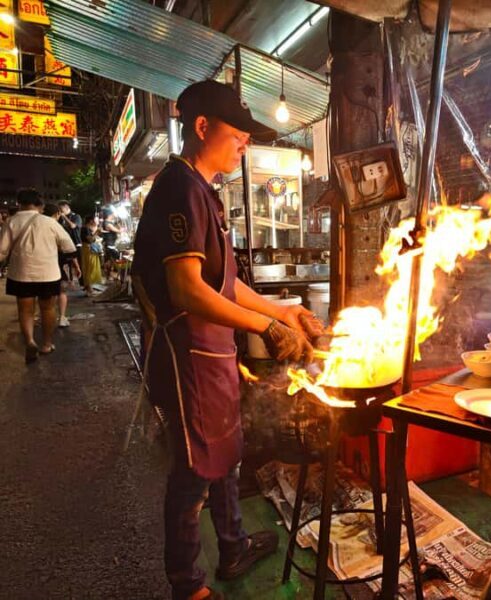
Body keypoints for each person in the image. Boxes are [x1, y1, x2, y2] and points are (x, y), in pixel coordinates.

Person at [131, 80, 323, 600]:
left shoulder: (204, 192)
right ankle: (187, 584)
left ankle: (234, 546)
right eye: (237, 134)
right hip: (187, 355)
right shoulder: (178, 188)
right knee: (194, 470)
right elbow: (187, 289)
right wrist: (265, 328)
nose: (244, 144)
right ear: (201, 128)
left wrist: (281, 310)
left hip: (214, 351)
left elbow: (226, 283)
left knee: (227, 457)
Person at [0, 189, 76, 363]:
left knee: (25, 310)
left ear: (19, 203)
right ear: (40, 205)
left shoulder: (11, 221)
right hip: (48, 273)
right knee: (48, 309)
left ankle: (30, 341)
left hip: (21, 274)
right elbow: (70, 247)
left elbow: (2, 252)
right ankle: (46, 344)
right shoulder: (49, 222)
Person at [44, 203, 81, 327]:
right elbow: (69, 248)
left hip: (44, 263)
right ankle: (62, 317)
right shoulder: (58, 227)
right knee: (61, 291)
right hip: (60, 262)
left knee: (47, 293)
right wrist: (76, 265)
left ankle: (48, 317)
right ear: (58, 214)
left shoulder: (37, 225)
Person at [80, 214, 103, 296]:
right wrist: (96, 232)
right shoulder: (85, 228)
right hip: (88, 250)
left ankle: (89, 288)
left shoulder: (86, 228)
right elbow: (90, 239)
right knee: (89, 268)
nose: (97, 221)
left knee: (89, 268)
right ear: (91, 221)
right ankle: (89, 289)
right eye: (95, 219)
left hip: (87, 249)